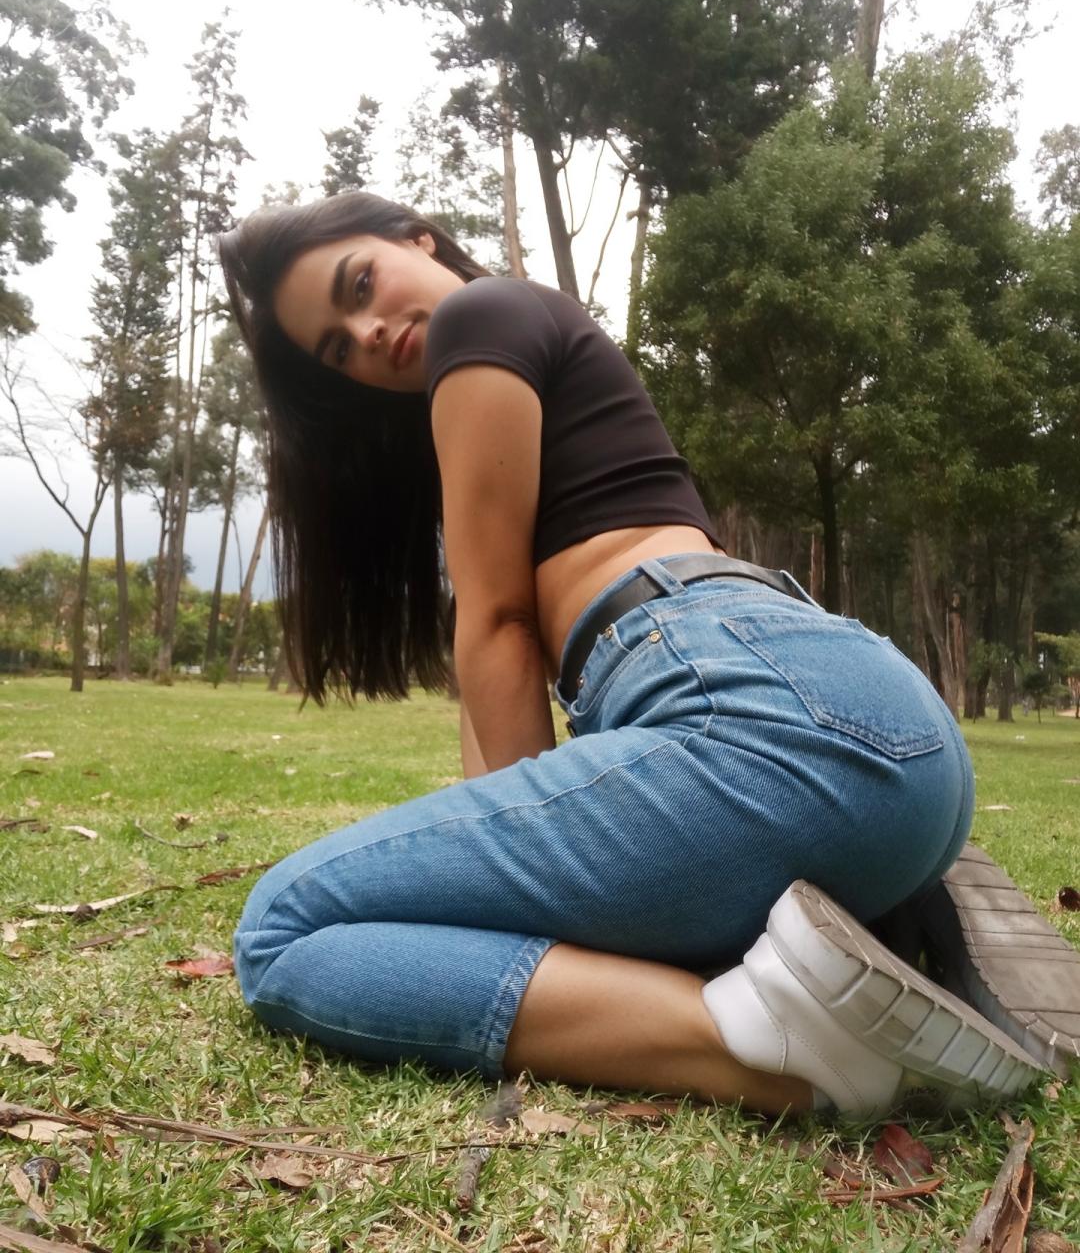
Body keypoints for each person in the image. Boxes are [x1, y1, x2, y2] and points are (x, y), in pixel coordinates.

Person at [221, 191, 1064, 1119]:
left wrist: (507, 890)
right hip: (876, 728)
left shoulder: (478, 313)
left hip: (758, 720)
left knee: (283, 929)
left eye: (359, 286)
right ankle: (883, 930)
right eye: (338, 349)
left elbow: (498, 623)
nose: (368, 333)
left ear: (418, 239)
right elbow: (487, 668)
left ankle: (781, 1053)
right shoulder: (521, 368)